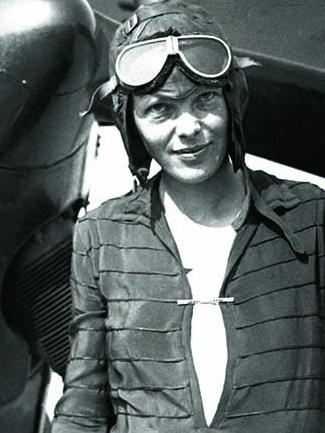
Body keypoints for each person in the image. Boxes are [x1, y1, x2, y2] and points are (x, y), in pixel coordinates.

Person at [51, 1, 325, 432]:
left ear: (232, 100)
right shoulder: (101, 236)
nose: (189, 127)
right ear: (132, 123)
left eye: (204, 100)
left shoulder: (312, 218)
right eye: (160, 108)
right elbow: (84, 404)